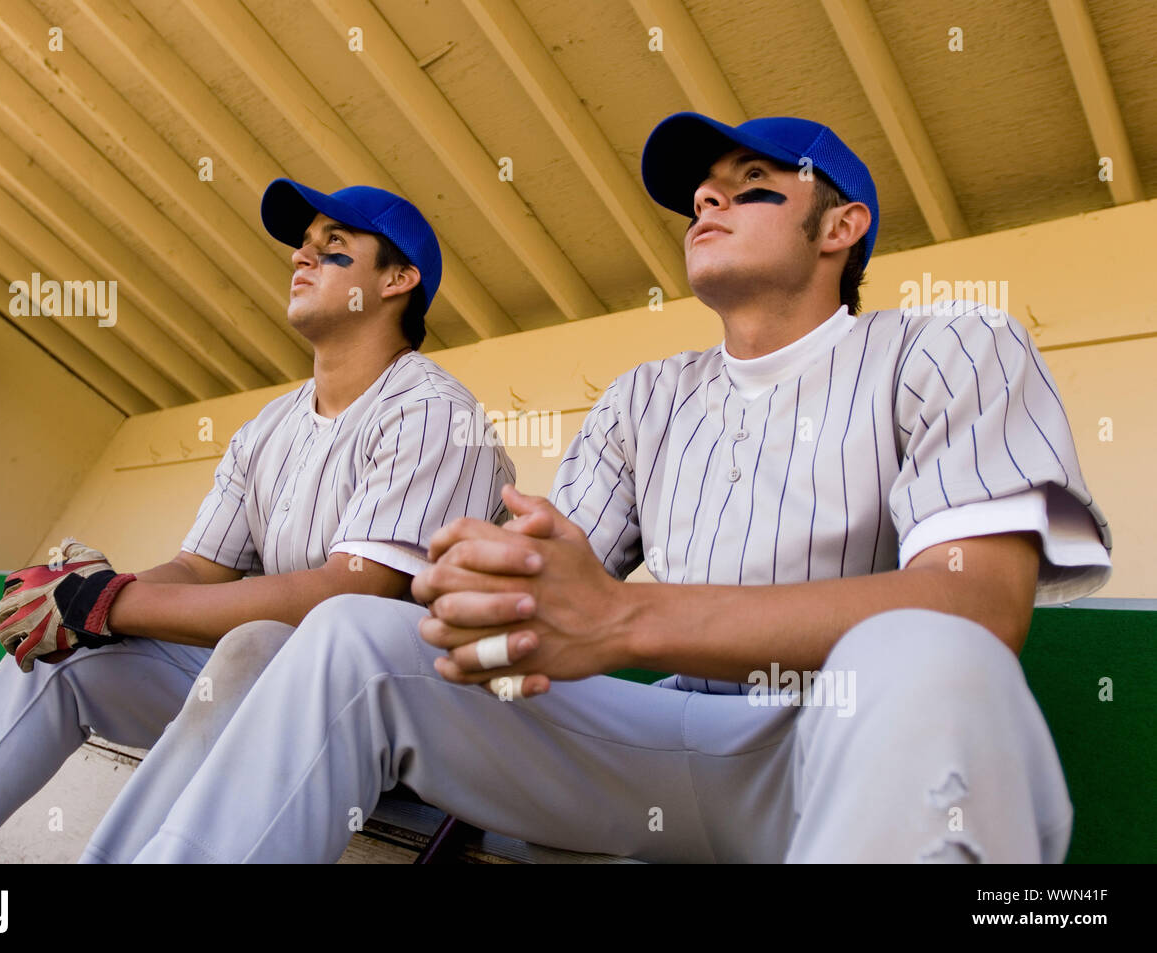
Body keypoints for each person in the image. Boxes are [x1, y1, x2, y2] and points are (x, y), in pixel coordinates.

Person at [104, 115, 1112, 864]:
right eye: (700, 194)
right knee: (346, 637)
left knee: (932, 650)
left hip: (849, 741)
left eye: (751, 184)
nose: (707, 201)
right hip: (670, 746)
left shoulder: (948, 340)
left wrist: (621, 614)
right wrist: (489, 592)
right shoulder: (644, 395)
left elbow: (975, 604)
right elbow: (550, 588)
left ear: (840, 224)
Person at [0, 181, 515, 864]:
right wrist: (84, 596)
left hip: (417, 730)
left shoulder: (435, 411)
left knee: (254, 646)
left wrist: (114, 601)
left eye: (335, 248)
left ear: (399, 280)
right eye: (303, 244)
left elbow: (348, 596)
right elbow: (199, 569)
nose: (301, 255)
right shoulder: (268, 427)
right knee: (64, 650)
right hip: (272, 708)